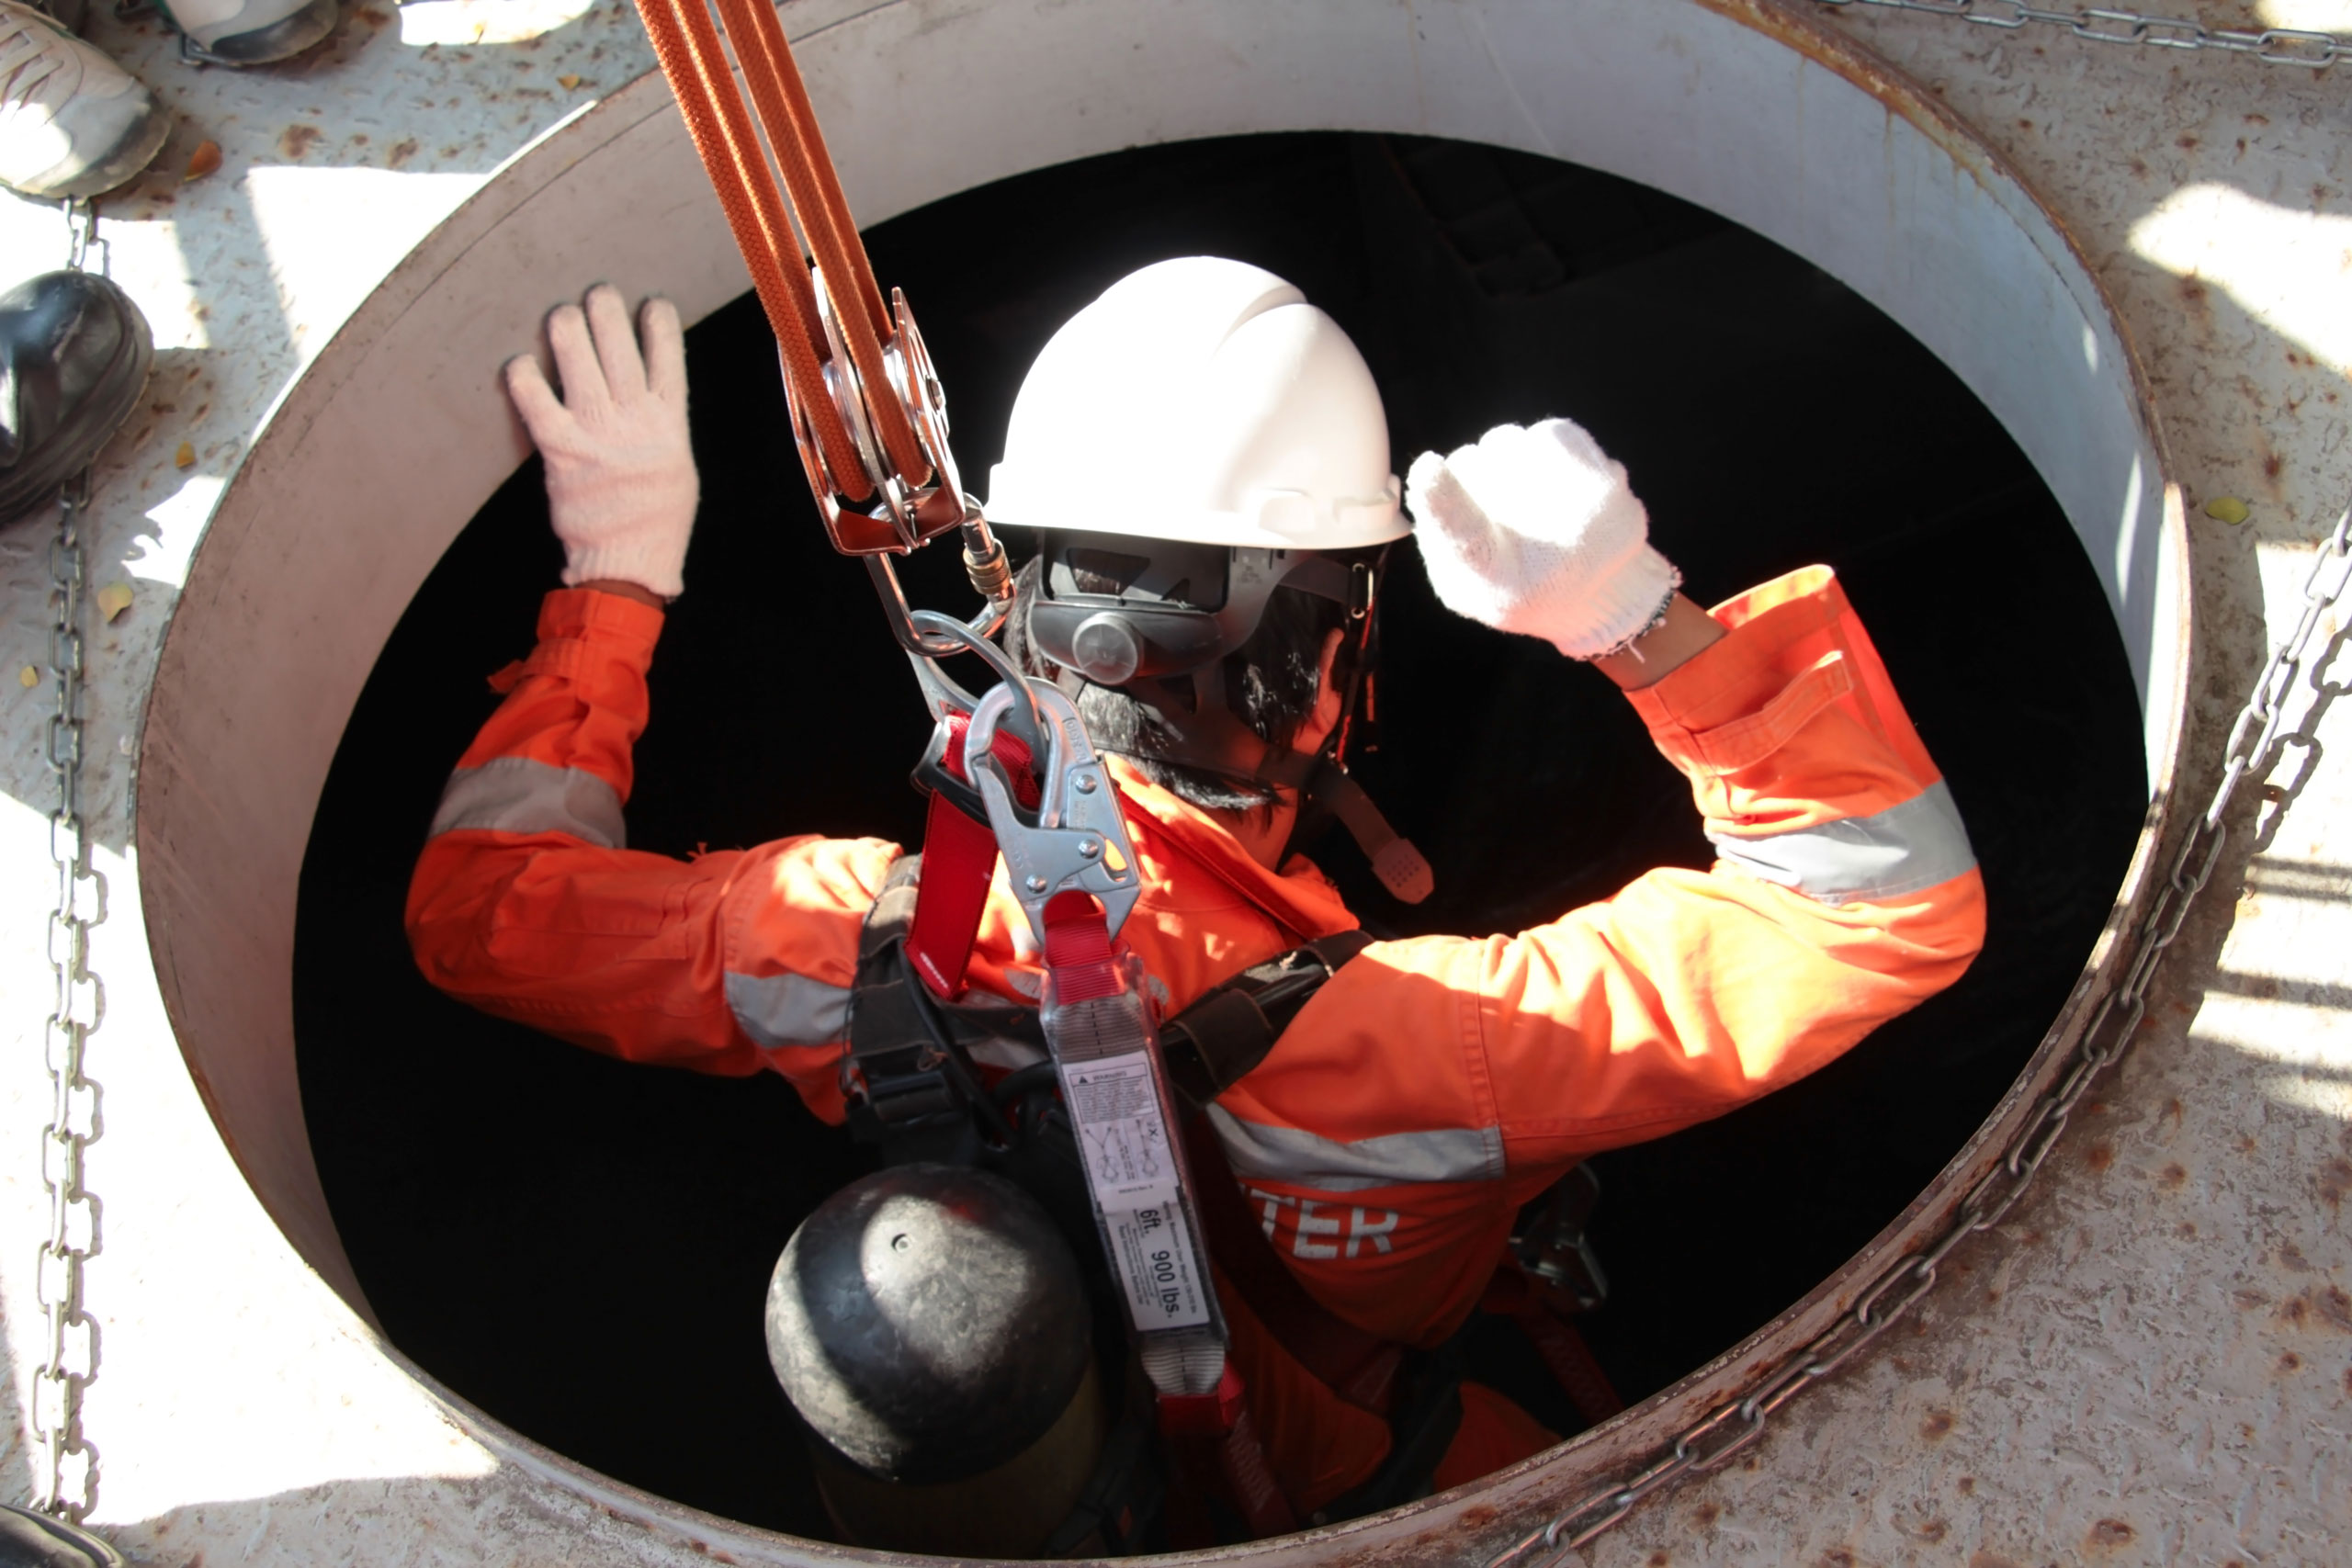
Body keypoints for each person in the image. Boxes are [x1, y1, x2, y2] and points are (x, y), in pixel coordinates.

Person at [408, 264, 1985, 1531]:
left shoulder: (843, 936)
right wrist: (1637, 620)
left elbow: (480, 911)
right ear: (1315, 655)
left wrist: (613, 582)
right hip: (1389, 1461)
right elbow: (1879, 909)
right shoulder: (1428, 1049)